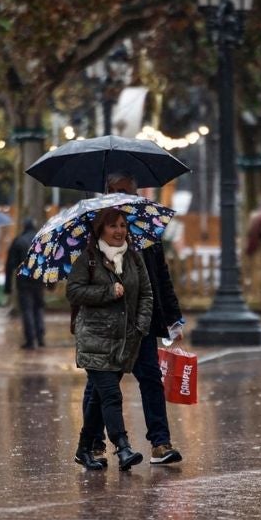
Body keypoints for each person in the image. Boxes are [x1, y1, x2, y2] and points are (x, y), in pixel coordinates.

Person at [79, 171, 185, 465]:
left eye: (130, 191)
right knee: (101, 387)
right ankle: (95, 444)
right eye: (119, 191)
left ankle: (161, 443)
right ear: (107, 192)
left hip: (142, 321)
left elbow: (160, 276)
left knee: (150, 378)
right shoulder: (93, 231)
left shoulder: (147, 232)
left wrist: (173, 317)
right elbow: (80, 286)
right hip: (106, 326)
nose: (126, 197)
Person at [67, 208, 153, 471]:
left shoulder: (134, 259)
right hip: (94, 339)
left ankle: (84, 449)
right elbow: (73, 292)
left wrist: (140, 327)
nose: (119, 231)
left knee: (97, 400)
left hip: (125, 342)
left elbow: (147, 294)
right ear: (100, 230)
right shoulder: (88, 259)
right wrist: (107, 291)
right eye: (113, 226)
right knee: (111, 395)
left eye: (123, 226)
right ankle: (123, 446)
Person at [5, 219, 46, 349]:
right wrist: (51, 282)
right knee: (38, 308)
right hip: (39, 280)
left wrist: (7, 286)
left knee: (27, 309)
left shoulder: (18, 241)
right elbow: (49, 262)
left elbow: (10, 264)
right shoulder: (42, 241)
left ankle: (30, 339)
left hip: (24, 281)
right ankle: (40, 338)